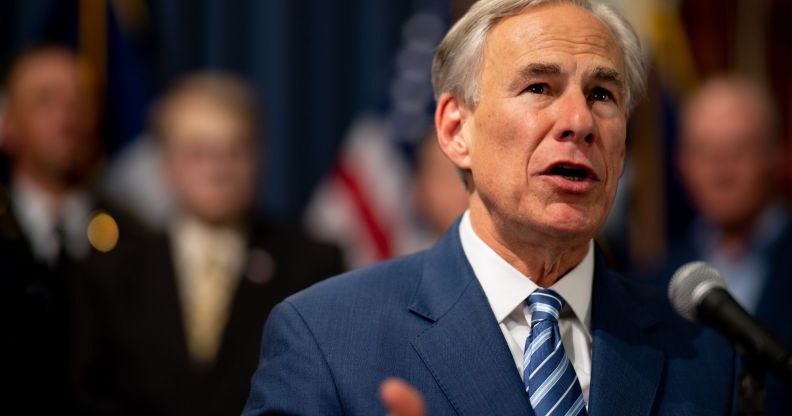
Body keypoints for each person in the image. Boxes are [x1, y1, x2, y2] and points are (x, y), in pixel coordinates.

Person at [243, 1, 735, 415]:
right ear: (457, 131)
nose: (580, 121)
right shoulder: (326, 338)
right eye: (539, 87)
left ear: (623, 149)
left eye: (602, 94)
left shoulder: (703, 352)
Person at [69, 73, 345, 416]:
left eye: (234, 150)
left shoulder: (313, 264)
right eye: (198, 152)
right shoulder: (109, 271)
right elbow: (86, 395)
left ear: (259, 160)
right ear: (166, 165)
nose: (218, 169)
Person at [0, 45, 140, 415]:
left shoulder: (139, 242)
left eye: (80, 100)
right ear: (9, 123)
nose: (67, 115)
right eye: (45, 100)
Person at [655, 75, 791, 415]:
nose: (721, 169)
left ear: (775, 154)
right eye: (703, 151)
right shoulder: (653, 283)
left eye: (737, 149)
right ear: (681, 163)